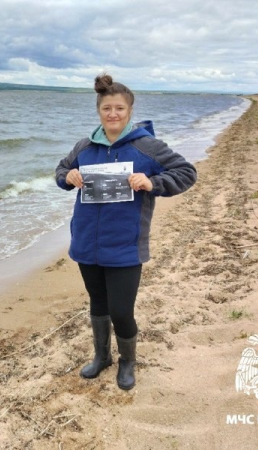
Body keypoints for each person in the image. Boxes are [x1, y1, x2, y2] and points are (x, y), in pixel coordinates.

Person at [55, 74, 197, 390]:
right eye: (107, 108)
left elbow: (187, 173)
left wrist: (152, 183)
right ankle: (102, 356)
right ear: (99, 111)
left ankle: (127, 361)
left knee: (121, 311)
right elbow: (60, 172)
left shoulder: (146, 146)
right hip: (87, 244)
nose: (113, 114)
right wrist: (70, 177)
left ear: (129, 111)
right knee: (98, 303)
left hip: (125, 246)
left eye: (119, 108)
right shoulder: (84, 146)